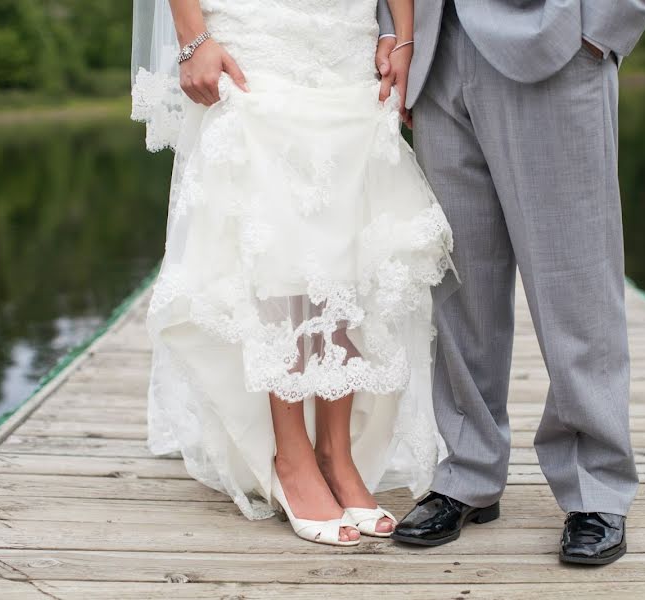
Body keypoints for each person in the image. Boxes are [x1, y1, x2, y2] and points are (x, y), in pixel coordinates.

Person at [131, 0, 453, 546]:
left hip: (344, 30)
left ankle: (336, 451)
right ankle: (293, 455)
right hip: (260, 28)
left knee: (347, 230)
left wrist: (403, 35)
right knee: (278, 229)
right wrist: (192, 37)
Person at [381, 0, 645, 565]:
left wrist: (602, 31)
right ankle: (468, 471)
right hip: (434, 52)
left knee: (576, 282)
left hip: (556, 44)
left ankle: (596, 487)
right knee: (459, 289)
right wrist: (398, 37)